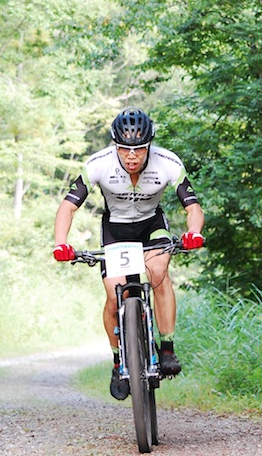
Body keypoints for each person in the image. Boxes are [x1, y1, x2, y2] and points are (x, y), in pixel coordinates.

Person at [53, 107, 205, 400]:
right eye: (124, 149)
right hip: (115, 230)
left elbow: (193, 208)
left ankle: (168, 348)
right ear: (115, 146)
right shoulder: (98, 164)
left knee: (159, 272)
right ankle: (117, 359)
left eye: (139, 149)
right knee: (114, 295)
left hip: (151, 227)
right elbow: (68, 206)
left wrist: (194, 232)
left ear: (150, 146)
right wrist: (62, 243)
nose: (132, 156)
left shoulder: (167, 162)